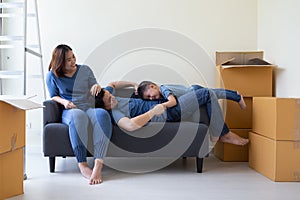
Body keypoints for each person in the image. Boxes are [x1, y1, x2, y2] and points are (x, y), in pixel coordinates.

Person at [95, 81, 249, 146]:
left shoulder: (107, 95)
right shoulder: (115, 113)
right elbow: (130, 125)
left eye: (110, 95)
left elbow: (112, 84)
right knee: (206, 94)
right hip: (169, 113)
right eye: (109, 101)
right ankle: (224, 133)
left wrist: (134, 84)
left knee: (196, 89)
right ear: (105, 108)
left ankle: (233, 98)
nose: (112, 98)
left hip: (169, 106)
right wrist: (152, 112)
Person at [46, 44, 112, 185]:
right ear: (60, 62)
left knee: (102, 114)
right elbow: (53, 96)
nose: (73, 61)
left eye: (73, 56)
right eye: (68, 60)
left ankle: (98, 164)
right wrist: (64, 102)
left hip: (88, 106)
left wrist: (96, 86)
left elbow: (95, 86)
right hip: (70, 110)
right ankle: (82, 164)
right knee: (78, 116)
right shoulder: (52, 75)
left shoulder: (85, 70)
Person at [137, 81, 246, 110]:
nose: (151, 99)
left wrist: (163, 106)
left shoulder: (163, 89)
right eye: (148, 98)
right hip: (192, 91)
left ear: (152, 87)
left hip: (194, 91)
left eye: (150, 95)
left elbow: (173, 102)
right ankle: (234, 93)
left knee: (215, 93)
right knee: (214, 94)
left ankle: (236, 97)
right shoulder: (161, 91)